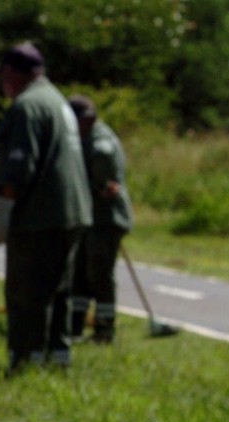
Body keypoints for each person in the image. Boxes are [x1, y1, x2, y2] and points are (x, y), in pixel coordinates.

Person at [0, 42, 93, 372]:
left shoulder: (26, 107)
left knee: (25, 292)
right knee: (58, 290)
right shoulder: (56, 100)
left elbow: (20, 166)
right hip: (71, 213)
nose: (3, 83)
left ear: (15, 74)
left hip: (40, 217)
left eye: (4, 75)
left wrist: (1, 211)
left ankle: (25, 362)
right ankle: (57, 360)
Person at [68, 95, 133, 343]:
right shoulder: (84, 138)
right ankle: (74, 326)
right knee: (80, 275)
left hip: (106, 219)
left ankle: (105, 331)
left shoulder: (100, 143)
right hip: (90, 217)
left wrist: (98, 186)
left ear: (89, 119)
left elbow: (102, 178)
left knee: (99, 276)